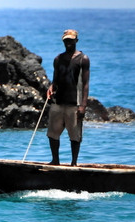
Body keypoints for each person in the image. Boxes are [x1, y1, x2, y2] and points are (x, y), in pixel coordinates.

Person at [46, 29, 90, 166]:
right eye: (66, 40)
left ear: (76, 40)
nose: (68, 43)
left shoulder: (83, 59)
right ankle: (55, 161)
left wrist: (83, 106)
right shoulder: (58, 59)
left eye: (71, 40)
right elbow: (55, 81)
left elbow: (86, 84)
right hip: (58, 102)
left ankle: (74, 163)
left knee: (75, 136)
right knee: (53, 133)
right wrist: (51, 88)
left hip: (74, 103)